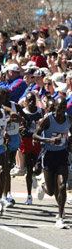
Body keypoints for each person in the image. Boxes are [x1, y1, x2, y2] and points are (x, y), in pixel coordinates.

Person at [32, 97, 71, 229]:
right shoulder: (48, 119)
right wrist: (49, 140)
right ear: (54, 107)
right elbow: (35, 135)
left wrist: (69, 143)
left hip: (62, 154)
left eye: (64, 107)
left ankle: (60, 217)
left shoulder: (69, 119)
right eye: (59, 108)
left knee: (62, 185)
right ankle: (43, 186)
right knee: (51, 190)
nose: (62, 111)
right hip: (48, 155)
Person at [20, 92, 43, 205]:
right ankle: (29, 196)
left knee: (38, 169)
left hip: (37, 141)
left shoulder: (40, 111)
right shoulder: (23, 112)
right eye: (29, 101)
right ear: (26, 102)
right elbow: (20, 126)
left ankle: (36, 176)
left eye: (33, 100)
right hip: (26, 141)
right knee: (29, 169)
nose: (32, 103)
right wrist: (21, 130)